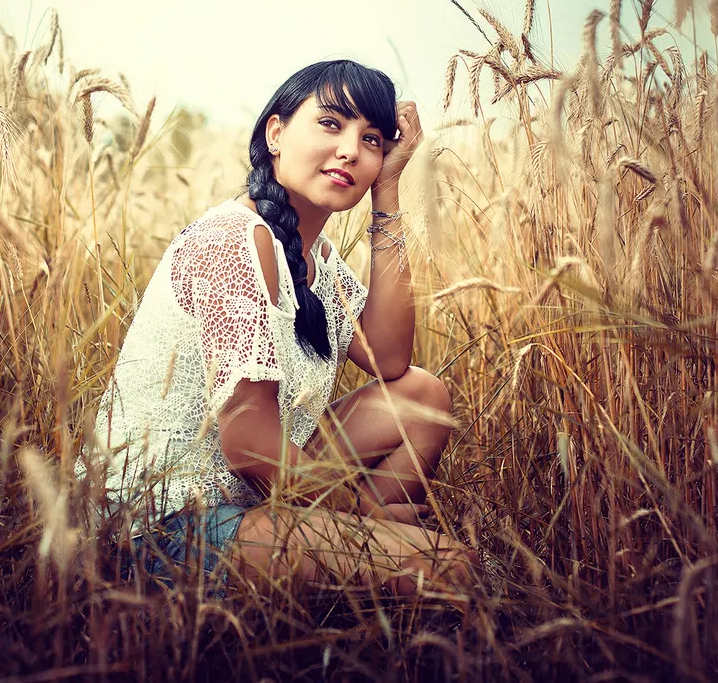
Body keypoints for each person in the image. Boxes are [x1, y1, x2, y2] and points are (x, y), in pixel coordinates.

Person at [90, 59, 478, 599]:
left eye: (371, 139)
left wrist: (388, 192)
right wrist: (361, 514)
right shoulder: (232, 241)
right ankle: (355, 563)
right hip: (161, 526)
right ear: (276, 133)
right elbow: (248, 442)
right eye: (331, 124)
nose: (350, 150)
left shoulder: (314, 256)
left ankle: (341, 578)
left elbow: (389, 358)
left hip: (249, 500)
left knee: (423, 397)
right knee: (446, 568)